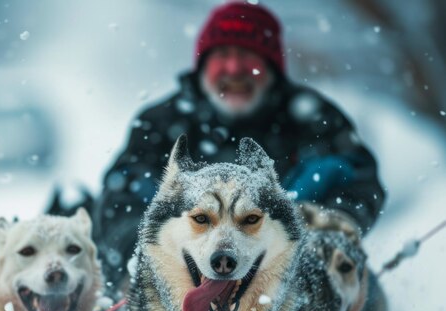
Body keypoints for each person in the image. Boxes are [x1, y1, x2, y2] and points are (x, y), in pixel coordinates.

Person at [93, 1, 385, 286]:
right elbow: (122, 194)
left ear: (272, 67)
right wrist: (142, 252)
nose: (234, 68)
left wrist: (332, 227)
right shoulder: (162, 123)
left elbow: (358, 179)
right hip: (180, 281)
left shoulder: (311, 118)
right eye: (222, 54)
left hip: (291, 279)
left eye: (249, 56)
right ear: (202, 64)